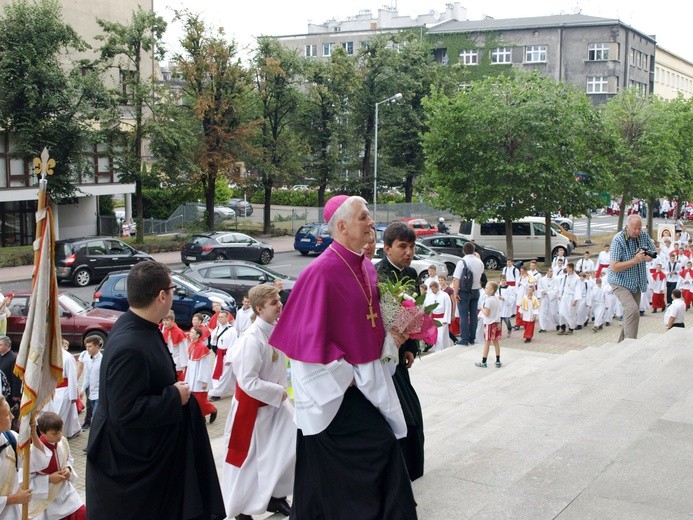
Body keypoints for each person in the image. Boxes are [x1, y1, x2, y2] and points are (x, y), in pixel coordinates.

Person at [270, 195, 417, 519]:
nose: (370, 223)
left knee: (368, 459)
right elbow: (304, 347)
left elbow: (368, 328)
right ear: (341, 226)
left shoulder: (364, 267)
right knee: (381, 450)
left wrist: (393, 340)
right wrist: (347, 378)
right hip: (336, 392)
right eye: (363, 217)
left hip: (362, 383)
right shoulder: (318, 274)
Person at [86, 261, 224, 520]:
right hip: (131, 475)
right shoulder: (131, 346)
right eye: (172, 289)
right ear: (162, 295)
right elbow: (123, 411)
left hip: (145, 461)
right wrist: (175, 396)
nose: (173, 294)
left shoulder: (139, 327)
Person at [221, 285, 295, 520]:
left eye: (278, 300)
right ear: (259, 308)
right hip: (252, 410)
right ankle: (242, 510)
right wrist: (279, 392)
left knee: (288, 449)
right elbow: (247, 382)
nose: (279, 305)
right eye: (274, 303)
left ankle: (276, 496)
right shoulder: (251, 339)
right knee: (249, 462)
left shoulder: (274, 329)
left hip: (274, 406)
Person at [375, 221, 426, 481]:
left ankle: (413, 467)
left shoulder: (411, 275)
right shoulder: (377, 275)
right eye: (402, 247)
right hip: (382, 356)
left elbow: (414, 315)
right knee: (398, 414)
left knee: (412, 411)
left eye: (412, 247)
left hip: (400, 353)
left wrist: (411, 347)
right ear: (387, 248)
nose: (409, 252)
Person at [608, 214, 656, 342]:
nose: (637, 231)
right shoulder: (618, 240)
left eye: (639, 228)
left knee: (631, 316)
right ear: (627, 226)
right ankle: (631, 344)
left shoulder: (644, 236)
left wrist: (647, 257)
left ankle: (622, 343)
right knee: (633, 310)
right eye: (634, 228)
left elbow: (652, 254)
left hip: (636, 281)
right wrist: (635, 260)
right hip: (619, 281)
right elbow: (614, 266)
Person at [29, 412, 85, 520]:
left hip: (66, 493)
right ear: (42, 432)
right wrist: (48, 479)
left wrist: (68, 469)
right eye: (54, 433)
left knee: (82, 514)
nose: (59, 435)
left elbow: (68, 459)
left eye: (60, 431)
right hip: (46, 500)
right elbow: (25, 481)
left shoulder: (62, 442)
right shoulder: (32, 453)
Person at [0, 395, 34, 519]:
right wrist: (11, 499)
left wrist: (33, 434)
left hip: (14, 515)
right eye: (8, 414)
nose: (13, 417)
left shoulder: (12, 438)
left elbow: (34, 463)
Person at [43, 340, 80, 439]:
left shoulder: (67, 357)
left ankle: (59, 436)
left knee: (59, 416)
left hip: (63, 391)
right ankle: (70, 431)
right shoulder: (47, 354)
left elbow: (72, 377)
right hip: (50, 390)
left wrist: (73, 395)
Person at [452, 241, 485, 346]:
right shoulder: (480, 262)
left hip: (464, 291)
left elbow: (456, 279)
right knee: (474, 315)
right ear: (474, 250)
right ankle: (472, 337)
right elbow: (480, 276)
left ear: (463, 251)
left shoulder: (462, 262)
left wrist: (455, 293)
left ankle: (464, 338)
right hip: (476, 290)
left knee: (464, 315)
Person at [185, 327, 218, 424]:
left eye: (192, 332)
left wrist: (204, 380)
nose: (190, 333)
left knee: (200, 400)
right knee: (194, 399)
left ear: (198, 335)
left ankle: (212, 410)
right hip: (192, 377)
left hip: (199, 379)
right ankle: (200, 417)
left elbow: (204, 366)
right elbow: (190, 363)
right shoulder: (192, 345)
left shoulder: (202, 348)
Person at [208, 310, 238, 402]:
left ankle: (217, 393)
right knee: (223, 373)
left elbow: (233, 345)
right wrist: (213, 339)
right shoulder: (217, 328)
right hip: (219, 354)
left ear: (227, 318)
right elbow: (213, 342)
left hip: (226, 355)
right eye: (219, 317)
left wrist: (229, 358)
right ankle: (236, 388)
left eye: (222, 317)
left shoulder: (232, 330)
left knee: (223, 374)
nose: (220, 319)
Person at [475, 281, 502, 368]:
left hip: (489, 323)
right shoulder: (496, 299)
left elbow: (486, 313)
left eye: (487, 288)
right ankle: (498, 360)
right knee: (496, 342)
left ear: (492, 290)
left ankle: (484, 361)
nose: (485, 289)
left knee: (487, 342)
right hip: (496, 322)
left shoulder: (488, 301)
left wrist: (481, 308)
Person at [424, 280, 452, 352]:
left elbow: (448, 307)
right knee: (444, 335)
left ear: (437, 287)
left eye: (433, 289)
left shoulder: (445, 295)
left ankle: (438, 351)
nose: (432, 291)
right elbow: (428, 309)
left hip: (442, 318)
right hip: (434, 318)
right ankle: (446, 348)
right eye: (431, 289)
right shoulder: (430, 297)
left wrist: (446, 319)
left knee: (439, 336)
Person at [80, 336, 103, 423]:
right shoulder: (88, 359)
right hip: (91, 393)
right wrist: (82, 389)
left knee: (96, 418)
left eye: (90, 346)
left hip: (100, 395)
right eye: (86, 347)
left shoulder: (102, 360)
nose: (87, 349)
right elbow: (87, 376)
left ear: (97, 346)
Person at [160, 311, 188, 381]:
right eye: (163, 320)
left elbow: (183, 350)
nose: (165, 322)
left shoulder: (179, 333)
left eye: (167, 320)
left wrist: (184, 364)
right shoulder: (165, 331)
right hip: (168, 361)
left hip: (177, 362)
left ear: (172, 321)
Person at [0, 337, 20, 431]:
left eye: (0, 345)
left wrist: (16, 394)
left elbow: (16, 377)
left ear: (8, 345)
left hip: (9, 392)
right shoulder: (1, 356)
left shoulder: (13, 358)